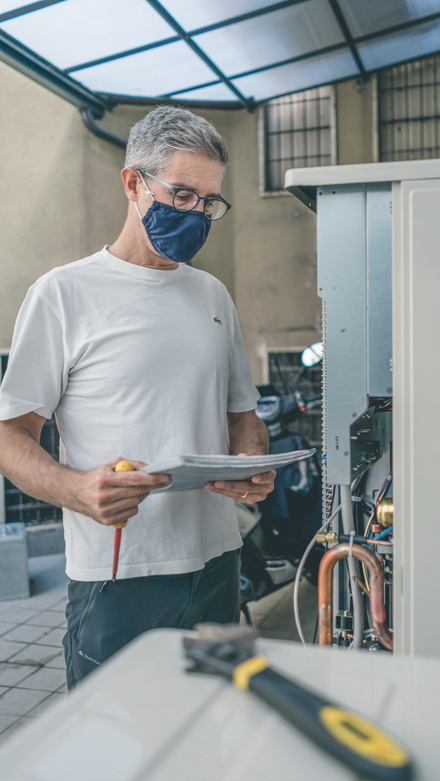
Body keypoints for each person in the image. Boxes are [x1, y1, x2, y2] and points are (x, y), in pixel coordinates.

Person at [0, 106, 275, 688]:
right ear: (133, 183)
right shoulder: (63, 295)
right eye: (181, 194)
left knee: (210, 737)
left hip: (218, 564)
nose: (196, 213)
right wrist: (76, 489)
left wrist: (254, 461)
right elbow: (9, 434)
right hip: (120, 575)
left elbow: (242, 416)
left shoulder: (213, 295)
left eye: (209, 202)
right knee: (116, 756)